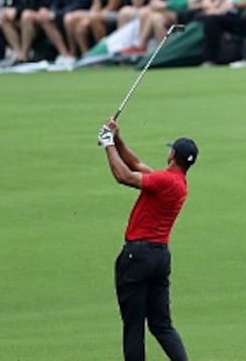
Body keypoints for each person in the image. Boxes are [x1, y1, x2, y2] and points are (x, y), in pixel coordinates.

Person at [96, 118, 196, 361]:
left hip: (137, 257)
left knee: (134, 327)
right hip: (159, 258)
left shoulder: (164, 181)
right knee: (161, 325)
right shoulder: (177, 183)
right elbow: (136, 164)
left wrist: (108, 144)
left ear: (172, 155)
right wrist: (117, 139)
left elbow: (124, 176)